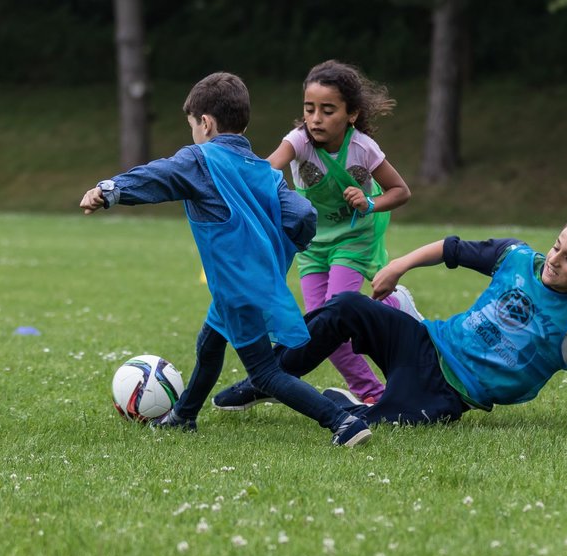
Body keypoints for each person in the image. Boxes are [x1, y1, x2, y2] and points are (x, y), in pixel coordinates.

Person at [79, 71, 372, 447]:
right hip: (249, 281)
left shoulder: (201, 160)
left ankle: (342, 422)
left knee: (265, 373)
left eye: (192, 126)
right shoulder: (264, 171)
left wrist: (110, 190)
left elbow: (158, 175)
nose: (193, 135)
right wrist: (276, 253)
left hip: (237, 287)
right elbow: (303, 216)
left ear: (205, 123)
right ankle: (183, 416)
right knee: (210, 344)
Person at [211, 195, 567, 432]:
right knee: (345, 306)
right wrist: (398, 265)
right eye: (558, 245)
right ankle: (265, 379)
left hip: (447, 393)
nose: (555, 258)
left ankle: (350, 403)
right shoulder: (516, 258)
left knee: (370, 428)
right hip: (424, 341)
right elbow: (451, 248)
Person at [267, 60, 417, 405]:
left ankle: (371, 395)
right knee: (318, 329)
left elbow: (400, 191)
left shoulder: (362, 147)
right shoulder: (298, 142)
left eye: (327, 110)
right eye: (309, 109)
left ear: (351, 114)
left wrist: (368, 201)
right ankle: (394, 306)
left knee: (334, 319)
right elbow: (267, 169)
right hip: (312, 244)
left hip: (353, 238)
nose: (316, 118)